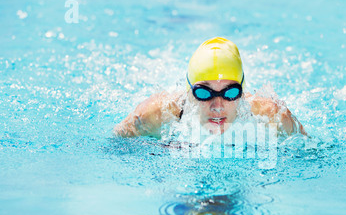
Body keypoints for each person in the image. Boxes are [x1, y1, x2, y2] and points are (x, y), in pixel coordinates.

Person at [114, 37, 306, 139]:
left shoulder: (272, 116)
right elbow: (113, 145)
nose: (217, 106)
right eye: (203, 93)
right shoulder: (154, 115)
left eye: (230, 93)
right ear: (189, 91)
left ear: (242, 93)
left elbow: (314, 152)